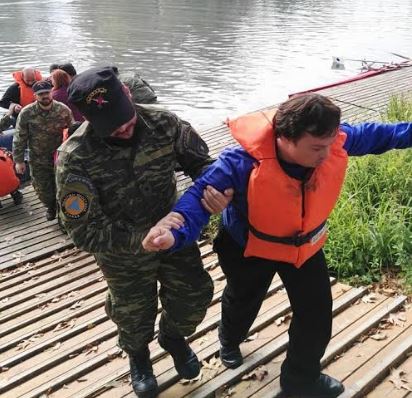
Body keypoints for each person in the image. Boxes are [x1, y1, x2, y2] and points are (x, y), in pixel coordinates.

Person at [142, 93, 412, 398]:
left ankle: (300, 380)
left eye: (329, 144)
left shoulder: (330, 141)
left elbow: (383, 135)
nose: (326, 154)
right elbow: (197, 200)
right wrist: (172, 231)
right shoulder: (240, 162)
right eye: (316, 148)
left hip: (302, 245)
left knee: (317, 312)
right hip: (247, 247)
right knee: (243, 301)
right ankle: (230, 339)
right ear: (284, 138)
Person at [55, 66, 233, 398]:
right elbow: (82, 231)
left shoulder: (165, 122)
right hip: (122, 251)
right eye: (112, 126)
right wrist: (142, 239)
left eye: (126, 117)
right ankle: (138, 357)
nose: (123, 128)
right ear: (89, 118)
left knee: (194, 296)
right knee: (133, 313)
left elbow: (202, 163)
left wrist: (215, 189)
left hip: (175, 233)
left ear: (128, 95)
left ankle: (173, 337)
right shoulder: (75, 157)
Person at [13, 80, 73, 221]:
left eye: (46, 92)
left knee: (63, 186)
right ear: (35, 96)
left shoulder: (63, 110)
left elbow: (73, 132)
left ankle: (63, 214)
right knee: (43, 190)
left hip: (59, 157)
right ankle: (51, 207)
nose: (44, 96)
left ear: (51, 92)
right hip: (38, 158)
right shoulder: (27, 113)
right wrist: (19, 161)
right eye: (40, 94)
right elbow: (19, 137)